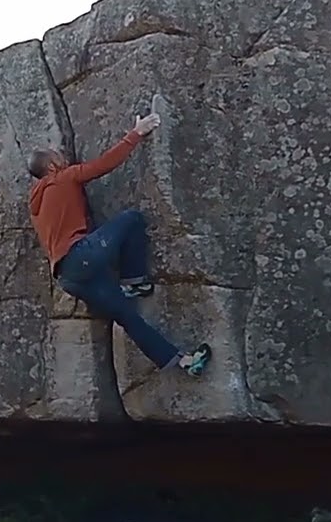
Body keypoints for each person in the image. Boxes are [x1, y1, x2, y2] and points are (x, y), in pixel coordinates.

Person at [26, 111, 212, 376]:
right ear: (52, 166)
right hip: (82, 256)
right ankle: (135, 281)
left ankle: (183, 362)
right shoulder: (63, 177)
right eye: (58, 157)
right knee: (132, 219)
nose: (64, 158)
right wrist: (136, 133)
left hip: (69, 278)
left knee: (128, 317)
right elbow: (104, 164)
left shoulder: (35, 204)